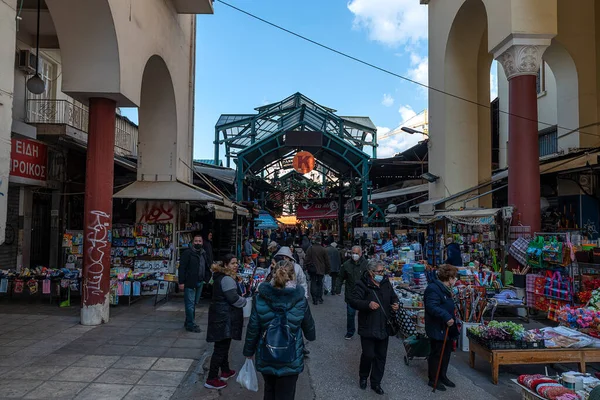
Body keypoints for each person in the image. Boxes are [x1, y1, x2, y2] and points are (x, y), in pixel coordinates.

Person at [243, 260, 316, 400]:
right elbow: (310, 330)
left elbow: (253, 328)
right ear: (293, 276)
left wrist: (248, 352)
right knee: (287, 394)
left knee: (269, 390)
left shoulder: (260, 298)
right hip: (291, 356)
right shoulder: (300, 300)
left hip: (266, 353)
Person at [349, 260, 399, 396]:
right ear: (371, 272)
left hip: (384, 325)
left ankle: (376, 382)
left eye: (383, 271)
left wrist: (395, 303)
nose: (382, 274)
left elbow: (393, 297)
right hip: (368, 326)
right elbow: (353, 300)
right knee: (368, 354)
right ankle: (363, 376)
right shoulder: (362, 284)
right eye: (379, 272)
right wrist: (367, 304)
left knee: (381, 356)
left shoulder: (386, 283)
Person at [205, 255, 248, 390]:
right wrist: (245, 301)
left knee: (223, 344)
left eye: (236, 263)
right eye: (233, 263)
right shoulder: (227, 279)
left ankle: (225, 371)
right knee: (221, 348)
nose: (236, 265)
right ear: (225, 264)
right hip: (224, 316)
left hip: (220, 315)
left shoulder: (220, 276)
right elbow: (233, 298)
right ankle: (211, 378)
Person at [424, 264, 460, 391]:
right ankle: (433, 379)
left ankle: (443, 375)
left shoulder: (446, 288)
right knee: (437, 353)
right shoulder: (433, 289)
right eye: (454, 277)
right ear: (449, 277)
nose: (455, 280)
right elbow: (432, 306)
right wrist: (445, 316)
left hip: (447, 326)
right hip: (437, 326)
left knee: (446, 353)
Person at [179, 234, 210, 332]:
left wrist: (207, 278)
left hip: (200, 282)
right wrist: (181, 282)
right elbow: (182, 268)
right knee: (190, 304)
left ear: (202, 242)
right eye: (196, 241)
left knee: (194, 303)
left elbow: (206, 265)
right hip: (190, 282)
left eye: (199, 241)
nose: (198, 243)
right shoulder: (187, 253)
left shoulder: (203, 253)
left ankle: (188, 321)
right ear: (192, 242)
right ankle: (191, 325)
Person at [336, 245, 369, 340]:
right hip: (351, 294)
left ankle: (365, 331)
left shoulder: (366, 264)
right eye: (353, 253)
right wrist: (337, 289)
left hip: (363, 294)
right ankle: (350, 332)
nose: (354, 255)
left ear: (361, 253)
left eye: (356, 253)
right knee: (350, 314)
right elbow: (340, 277)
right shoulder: (346, 265)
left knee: (364, 314)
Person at [305, 237, 331, 305]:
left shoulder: (310, 249)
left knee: (313, 282)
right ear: (320, 242)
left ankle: (314, 299)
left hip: (312, 269)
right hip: (321, 269)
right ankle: (319, 297)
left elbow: (306, 259)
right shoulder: (323, 249)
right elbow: (327, 261)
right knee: (320, 283)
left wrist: (306, 267)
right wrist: (328, 270)